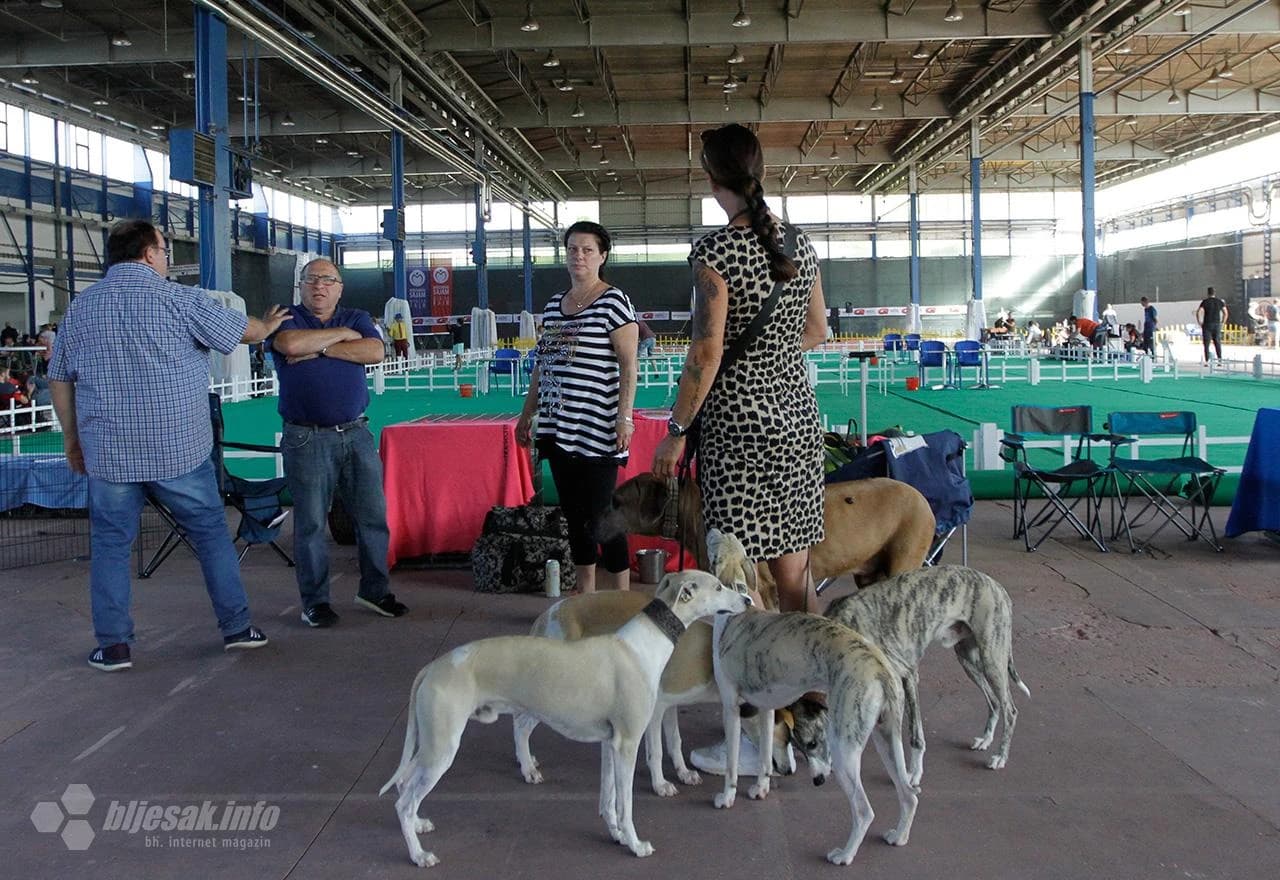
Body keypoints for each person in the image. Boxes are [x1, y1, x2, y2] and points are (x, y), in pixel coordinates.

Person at [47, 219, 285, 671]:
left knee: (112, 547)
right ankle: (236, 628)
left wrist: (72, 439)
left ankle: (114, 647)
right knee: (212, 536)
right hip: (178, 449)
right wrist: (268, 323)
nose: (167, 258)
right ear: (149, 253)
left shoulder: (81, 307)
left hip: (110, 454)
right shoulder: (179, 298)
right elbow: (245, 333)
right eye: (164, 249)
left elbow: (60, 378)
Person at [653, 123, 827, 615]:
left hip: (737, 430)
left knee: (734, 573)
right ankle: (813, 683)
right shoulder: (802, 245)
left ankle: (756, 688)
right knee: (796, 574)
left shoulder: (715, 252)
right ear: (761, 172)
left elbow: (705, 355)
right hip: (797, 420)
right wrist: (771, 355)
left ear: (711, 179)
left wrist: (676, 430)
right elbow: (818, 331)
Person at [269, 258, 408, 628]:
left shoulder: (358, 316)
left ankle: (375, 590)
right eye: (312, 279)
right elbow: (290, 344)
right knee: (312, 524)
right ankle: (315, 601)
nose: (320, 286)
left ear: (340, 287)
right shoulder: (286, 318)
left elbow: (375, 352)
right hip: (306, 437)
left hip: (357, 433)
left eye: (328, 280)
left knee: (373, 519)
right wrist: (342, 337)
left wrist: (322, 350)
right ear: (300, 285)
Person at [515, 221, 638, 595]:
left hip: (598, 428)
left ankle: (620, 599)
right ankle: (584, 597)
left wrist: (624, 417)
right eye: (572, 249)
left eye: (587, 249)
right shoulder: (554, 305)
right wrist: (527, 415)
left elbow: (628, 364)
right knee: (574, 516)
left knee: (603, 516)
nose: (578, 256)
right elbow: (543, 364)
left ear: (602, 256)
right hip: (557, 427)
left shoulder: (614, 301)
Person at [1196, 286, 1229, 363]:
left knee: (1206, 344)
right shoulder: (1220, 302)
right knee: (1217, 342)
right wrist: (1222, 322)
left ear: (1208, 293)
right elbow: (1226, 313)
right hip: (1217, 324)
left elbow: (1198, 312)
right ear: (1215, 293)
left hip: (1207, 324)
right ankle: (1220, 360)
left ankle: (1207, 361)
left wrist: (1200, 322)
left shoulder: (1205, 302)